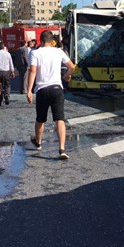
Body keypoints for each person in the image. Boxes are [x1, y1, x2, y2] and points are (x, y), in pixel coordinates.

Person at [26, 30, 75, 160]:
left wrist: (29, 90)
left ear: (41, 41)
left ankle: (39, 142)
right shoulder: (59, 51)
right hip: (56, 88)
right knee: (59, 119)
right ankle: (62, 149)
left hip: (42, 89)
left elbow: (33, 71)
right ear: (52, 40)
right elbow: (72, 66)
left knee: (41, 119)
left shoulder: (35, 53)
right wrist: (67, 75)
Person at [0, 41, 14, 106]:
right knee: (7, 85)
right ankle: (7, 95)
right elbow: (11, 63)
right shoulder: (8, 54)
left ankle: (0, 100)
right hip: (6, 71)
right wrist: (12, 71)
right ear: (3, 47)